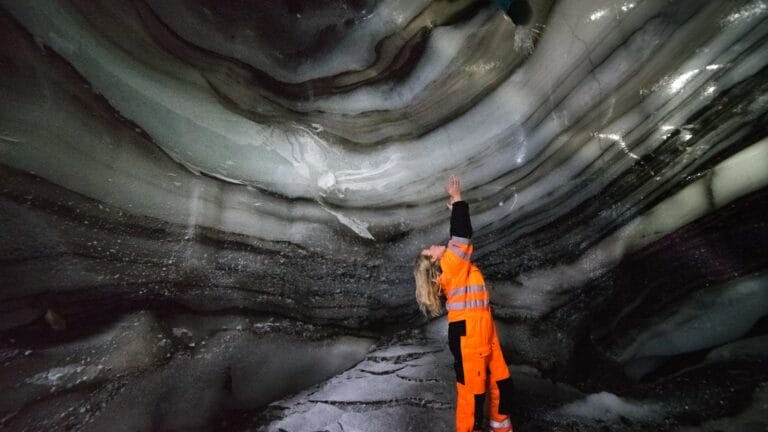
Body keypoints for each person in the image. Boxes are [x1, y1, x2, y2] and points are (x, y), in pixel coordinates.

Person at [414, 175, 514, 432]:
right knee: (473, 396)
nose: (434, 246)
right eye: (430, 250)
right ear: (433, 265)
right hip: (468, 335)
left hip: (482, 331)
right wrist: (457, 199)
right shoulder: (448, 268)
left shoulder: (452, 266)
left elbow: (458, 241)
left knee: (501, 383)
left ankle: (501, 428)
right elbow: (461, 235)